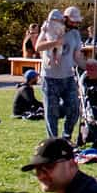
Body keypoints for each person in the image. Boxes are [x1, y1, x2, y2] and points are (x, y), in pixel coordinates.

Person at [36, 8, 83, 144]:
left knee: (74, 109)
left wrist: (91, 65)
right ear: (66, 19)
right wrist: (56, 43)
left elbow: (77, 57)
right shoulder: (48, 28)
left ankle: (66, 137)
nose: (75, 24)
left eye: (77, 22)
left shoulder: (75, 34)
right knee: (52, 113)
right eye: (73, 21)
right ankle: (54, 142)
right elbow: (38, 47)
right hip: (49, 77)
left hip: (68, 77)